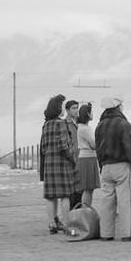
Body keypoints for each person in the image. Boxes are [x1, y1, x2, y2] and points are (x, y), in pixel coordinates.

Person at [95, 97, 131, 241]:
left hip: (105, 167)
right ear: (118, 107)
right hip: (121, 165)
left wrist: (101, 166)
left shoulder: (99, 125)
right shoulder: (123, 124)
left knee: (106, 202)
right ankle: (128, 233)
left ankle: (106, 233)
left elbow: (98, 149)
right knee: (126, 200)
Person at [39, 94, 77, 234]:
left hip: (49, 163)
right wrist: (72, 158)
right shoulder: (61, 123)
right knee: (65, 196)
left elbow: (43, 147)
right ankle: (66, 224)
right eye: (62, 105)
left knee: (51, 196)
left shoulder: (46, 124)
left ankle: (52, 224)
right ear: (57, 108)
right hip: (62, 164)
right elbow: (64, 145)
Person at [76, 103, 100, 207]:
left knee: (89, 188)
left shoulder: (83, 127)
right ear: (87, 114)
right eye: (91, 112)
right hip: (88, 158)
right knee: (88, 188)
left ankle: (86, 209)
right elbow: (94, 144)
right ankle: (85, 209)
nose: (93, 114)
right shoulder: (85, 129)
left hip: (87, 157)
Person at [63, 99, 82, 209]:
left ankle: (78, 213)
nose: (76, 110)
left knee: (80, 189)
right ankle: (71, 214)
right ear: (67, 110)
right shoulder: (64, 124)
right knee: (72, 190)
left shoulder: (79, 123)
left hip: (80, 158)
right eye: (73, 108)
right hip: (71, 160)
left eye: (77, 108)